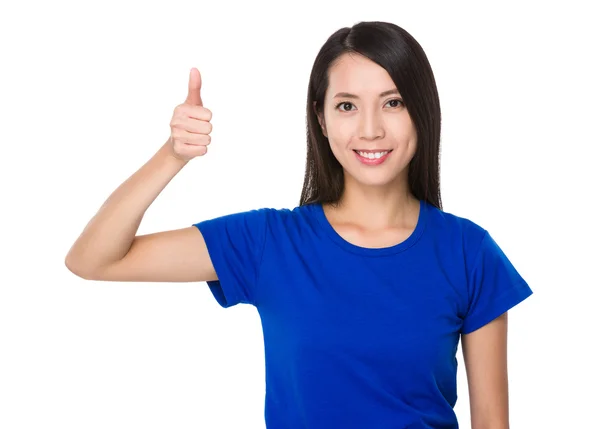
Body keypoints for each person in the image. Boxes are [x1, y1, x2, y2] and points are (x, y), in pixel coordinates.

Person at [65, 21, 533, 429]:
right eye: (347, 106)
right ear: (322, 120)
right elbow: (93, 260)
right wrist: (172, 156)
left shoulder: (469, 252)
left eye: (393, 103)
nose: (370, 129)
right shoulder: (268, 243)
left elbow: (492, 423)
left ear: (423, 113)